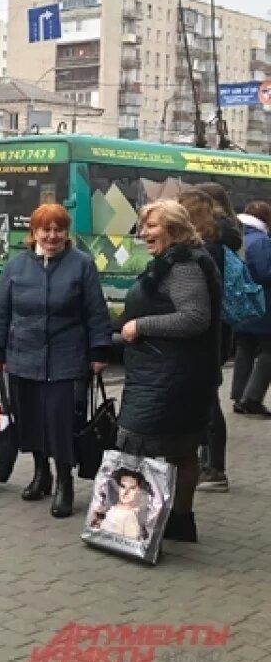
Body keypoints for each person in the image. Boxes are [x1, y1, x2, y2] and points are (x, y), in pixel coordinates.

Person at [0, 204, 112, 518]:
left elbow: (96, 311)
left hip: (66, 358)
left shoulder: (81, 265)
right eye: (46, 229)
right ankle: (41, 474)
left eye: (59, 229)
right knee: (30, 419)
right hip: (23, 357)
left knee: (61, 422)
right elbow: (1, 312)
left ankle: (64, 483)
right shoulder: (16, 267)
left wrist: (99, 351)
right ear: (34, 232)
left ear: (66, 233)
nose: (53, 236)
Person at [117, 199, 221, 543]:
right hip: (167, 373)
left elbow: (194, 318)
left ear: (174, 229)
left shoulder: (184, 266)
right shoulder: (174, 260)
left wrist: (140, 325)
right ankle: (179, 522)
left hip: (170, 378)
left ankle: (141, 525)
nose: (143, 233)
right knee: (180, 448)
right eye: (143, 225)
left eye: (151, 226)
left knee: (143, 445)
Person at [178, 188, 241, 493]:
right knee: (207, 398)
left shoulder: (209, 249)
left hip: (209, 336)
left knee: (209, 401)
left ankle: (215, 469)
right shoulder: (219, 241)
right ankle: (209, 463)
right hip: (218, 332)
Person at [231, 201, 271, 418]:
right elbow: (266, 272)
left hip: (241, 303)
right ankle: (252, 398)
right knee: (268, 351)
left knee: (244, 350)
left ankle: (239, 396)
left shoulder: (239, 237)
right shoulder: (261, 241)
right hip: (262, 304)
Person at [89, 468, 146, 541]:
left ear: (138, 490)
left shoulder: (130, 515)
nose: (126, 492)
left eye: (132, 488)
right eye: (123, 486)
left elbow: (130, 541)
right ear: (118, 487)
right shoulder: (109, 508)